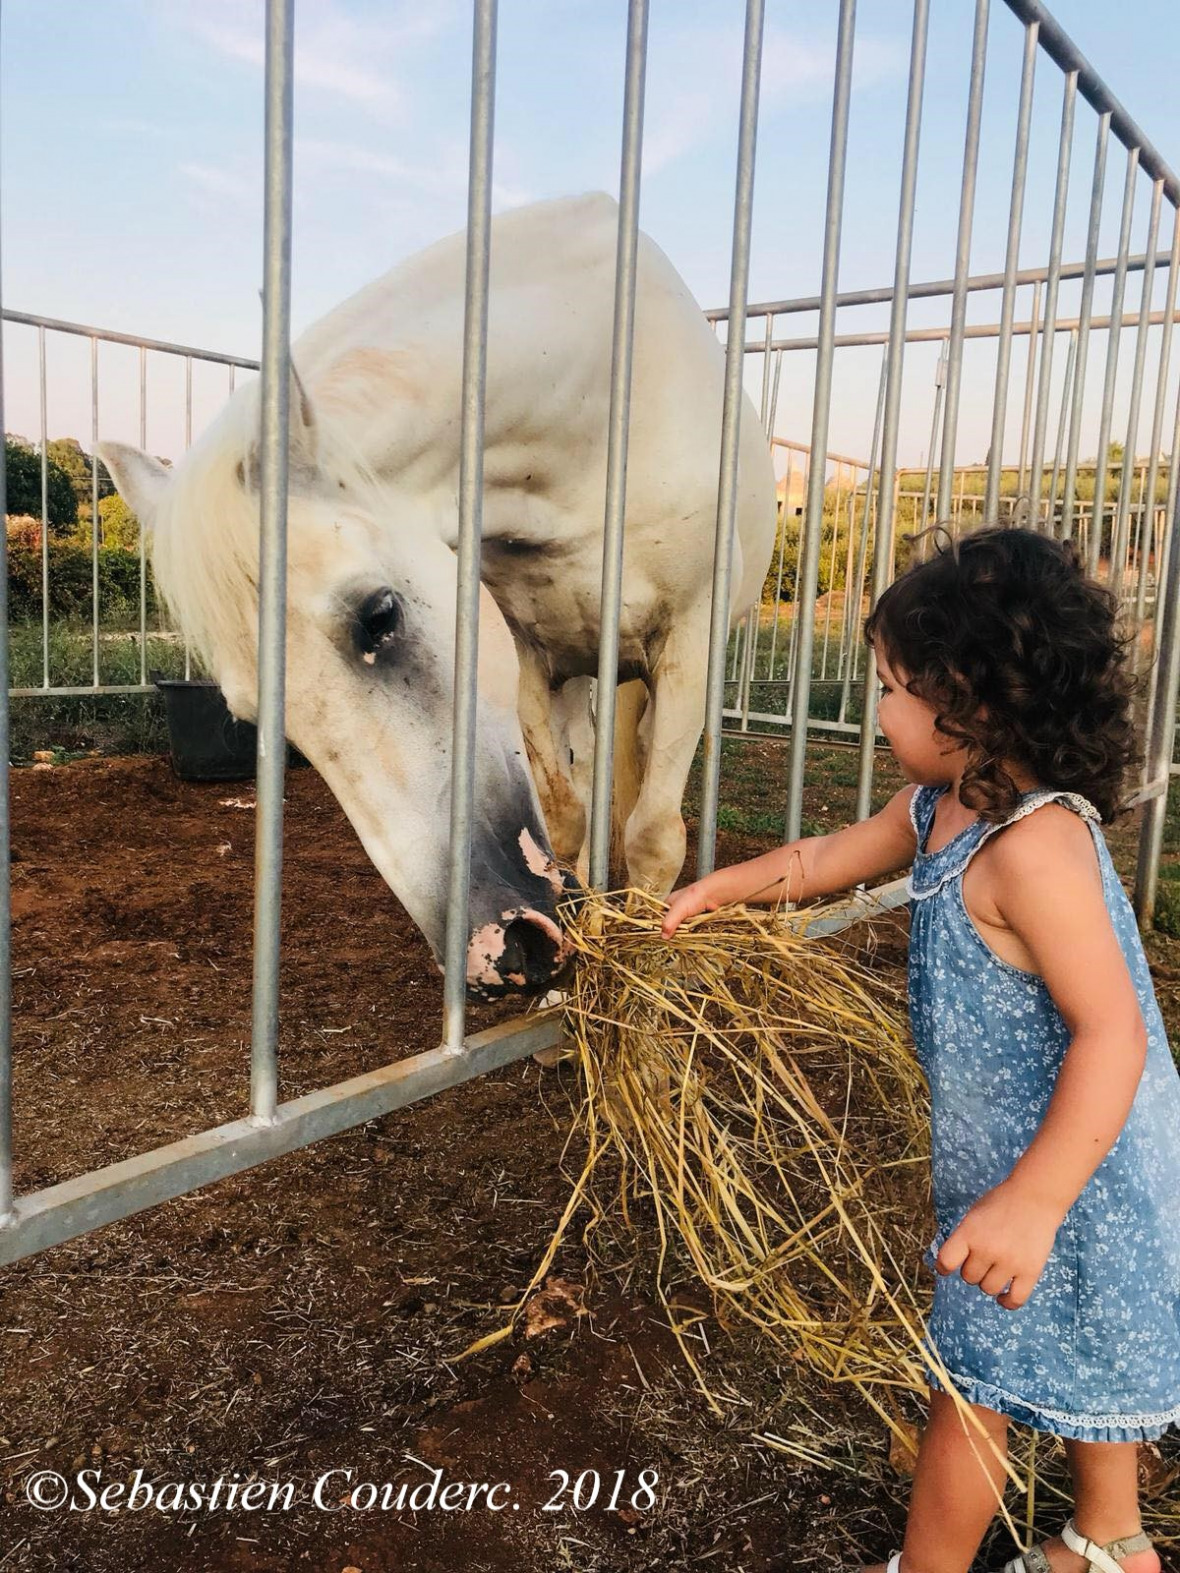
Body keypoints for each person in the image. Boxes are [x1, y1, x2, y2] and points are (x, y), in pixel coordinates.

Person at [662, 527, 1179, 1573]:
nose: (879, 707)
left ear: (973, 704)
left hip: (1077, 1162)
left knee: (972, 1380)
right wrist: (724, 886)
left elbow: (1113, 1029)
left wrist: (1034, 1199)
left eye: (894, 686)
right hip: (1020, 1155)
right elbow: (820, 861)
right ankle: (1110, 1541)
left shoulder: (1033, 850)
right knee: (1081, 1345)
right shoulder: (936, 805)